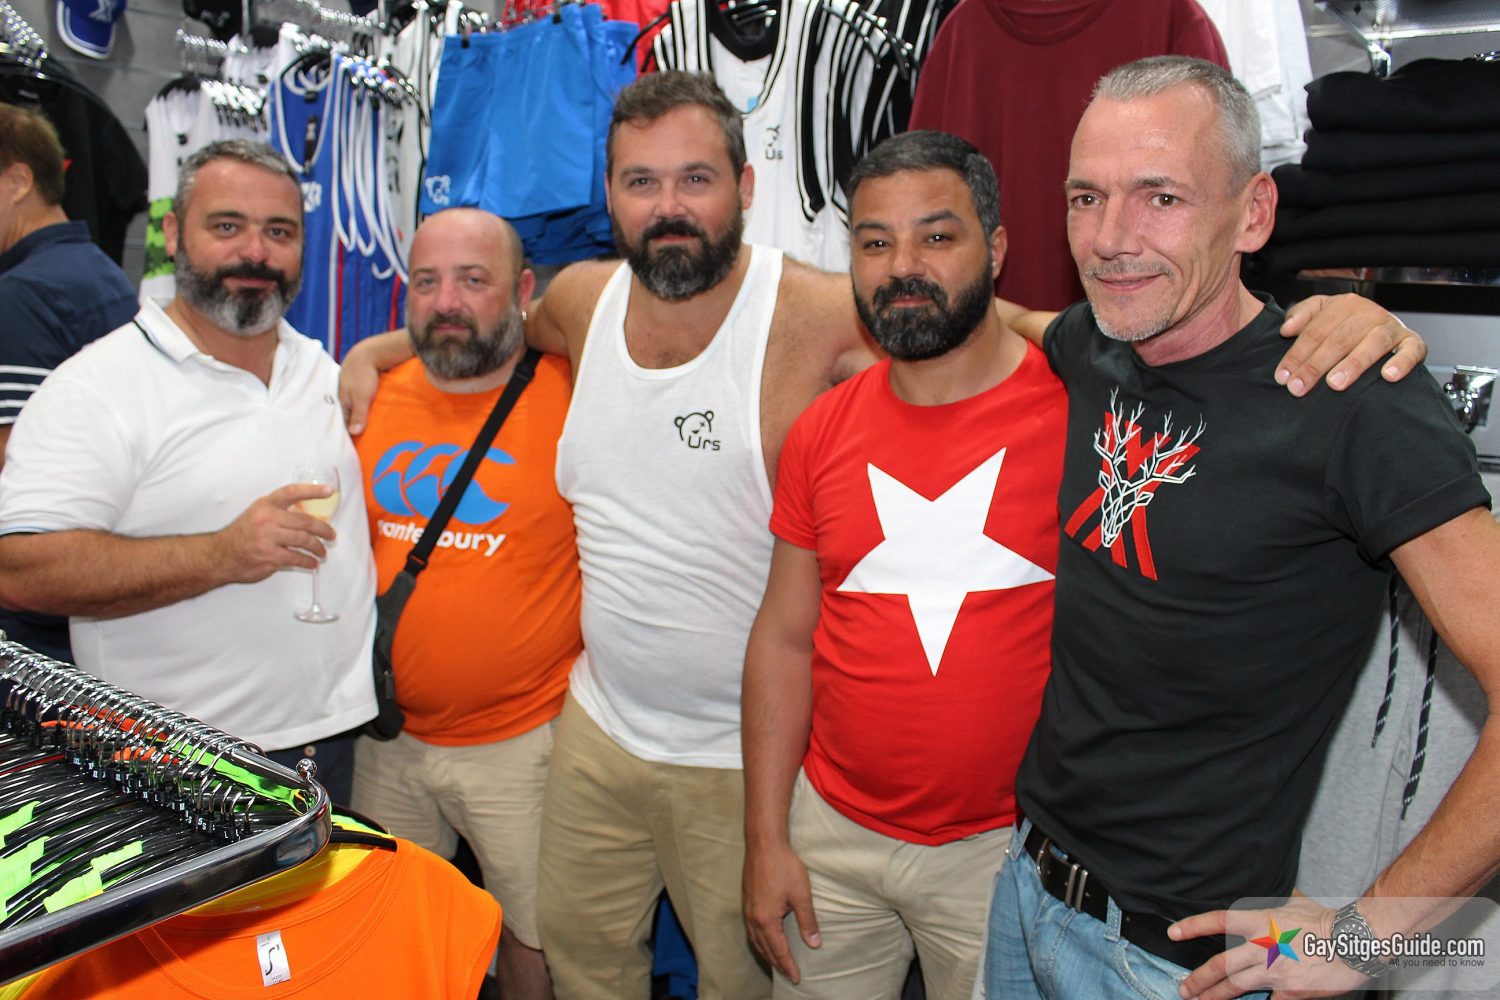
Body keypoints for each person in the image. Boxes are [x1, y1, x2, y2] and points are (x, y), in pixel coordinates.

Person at [336, 72, 1422, 1000]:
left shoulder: (1008, 367)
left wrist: (1331, 316)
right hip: (696, 769)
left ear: (746, 189)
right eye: (640, 181)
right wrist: (375, 352)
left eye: (695, 178)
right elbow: (482, 329)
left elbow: (1083, 326)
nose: (667, 206)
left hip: (983, 847)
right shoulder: (591, 305)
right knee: (584, 958)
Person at [987, 56, 1500, 1000]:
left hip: (1178, 966)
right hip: (1024, 889)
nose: (1112, 239)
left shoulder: (1352, 399)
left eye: (1162, 197)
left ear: (1253, 214)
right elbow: (1023, 320)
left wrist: (1364, 942)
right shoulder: (1097, 342)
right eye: (1086, 197)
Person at [741, 131, 1061, 999]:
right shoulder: (822, 428)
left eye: (937, 236)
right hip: (831, 836)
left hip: (1005, 851)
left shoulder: (1075, 414)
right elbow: (783, 638)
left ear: (997, 248)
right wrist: (766, 837)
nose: (902, 266)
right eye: (875, 241)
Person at [0, 139, 376, 806]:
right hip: (176, 763)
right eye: (227, 226)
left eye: (279, 232)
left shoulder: (324, 370)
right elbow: (19, 569)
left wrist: (382, 347)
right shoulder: (97, 387)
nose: (255, 253)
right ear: (173, 234)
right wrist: (222, 554)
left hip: (332, 743)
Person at [349, 207, 579, 1000]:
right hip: (386, 740)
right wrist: (366, 354)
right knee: (390, 935)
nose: (446, 301)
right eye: (427, 281)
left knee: (534, 940)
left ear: (523, 291)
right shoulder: (367, 394)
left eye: (473, 280)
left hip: (522, 744)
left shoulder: (576, 392)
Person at [0, 103, 139, 662]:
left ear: (18, 182)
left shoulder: (22, 294)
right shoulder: (99, 272)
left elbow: (10, 465)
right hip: (90, 590)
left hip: (38, 619)